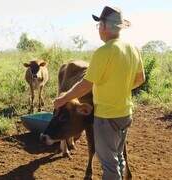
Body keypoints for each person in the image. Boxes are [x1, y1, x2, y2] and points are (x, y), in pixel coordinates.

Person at [53, 6, 145, 180]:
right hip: (125, 113)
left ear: (104, 26)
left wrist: (63, 98)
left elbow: (85, 85)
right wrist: (120, 89)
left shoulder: (103, 52)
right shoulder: (133, 49)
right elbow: (140, 79)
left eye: (99, 25)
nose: (98, 30)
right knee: (118, 157)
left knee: (109, 164)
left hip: (106, 116)